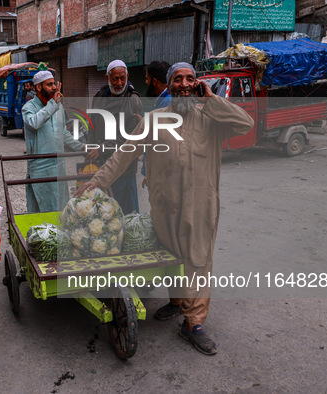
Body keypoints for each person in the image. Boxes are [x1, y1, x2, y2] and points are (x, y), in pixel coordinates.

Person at [75, 62, 254, 356]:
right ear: (169, 85)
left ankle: (193, 324)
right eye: (178, 79)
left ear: (197, 84)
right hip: (165, 206)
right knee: (171, 256)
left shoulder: (211, 118)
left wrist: (210, 100)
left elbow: (245, 124)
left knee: (197, 261)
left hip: (201, 205)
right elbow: (125, 153)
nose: (184, 84)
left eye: (190, 79)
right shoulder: (154, 120)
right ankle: (176, 301)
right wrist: (96, 181)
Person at [22, 70, 98, 213]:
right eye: (49, 85)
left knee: (61, 206)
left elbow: (63, 132)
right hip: (40, 168)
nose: (54, 88)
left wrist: (81, 147)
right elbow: (34, 123)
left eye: (54, 84)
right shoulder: (29, 108)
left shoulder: (58, 106)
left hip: (58, 164)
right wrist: (53, 104)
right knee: (44, 209)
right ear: (38, 87)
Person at [90, 59, 143, 215]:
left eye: (122, 78)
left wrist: (102, 149)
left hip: (123, 166)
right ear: (107, 78)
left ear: (127, 76)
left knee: (123, 212)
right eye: (115, 79)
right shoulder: (99, 96)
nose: (119, 82)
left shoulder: (133, 100)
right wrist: (90, 146)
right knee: (102, 212)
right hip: (99, 163)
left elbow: (129, 136)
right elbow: (92, 124)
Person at [141, 60, 172, 187]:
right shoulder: (164, 100)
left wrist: (152, 172)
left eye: (147, 79)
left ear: (154, 81)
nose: (146, 82)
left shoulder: (167, 103)